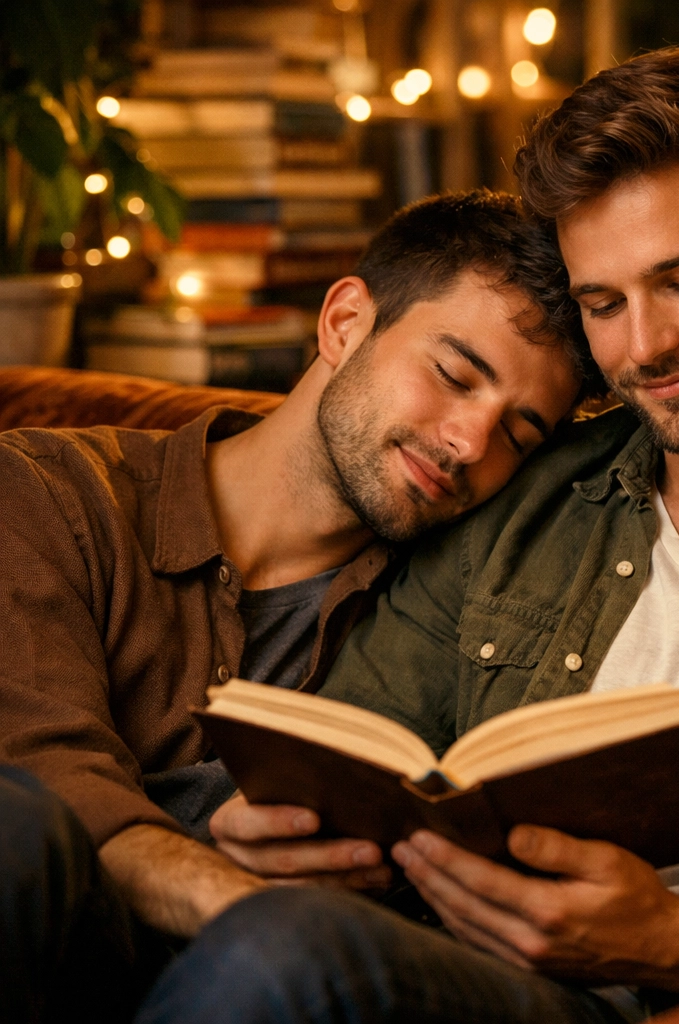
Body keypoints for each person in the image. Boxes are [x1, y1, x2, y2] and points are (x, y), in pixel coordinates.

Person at [147, 46, 679, 1024]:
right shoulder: (527, 490)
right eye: (603, 304)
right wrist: (279, 826)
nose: (642, 348)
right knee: (263, 932)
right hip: (456, 981)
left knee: (277, 951)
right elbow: (361, 736)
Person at [0, 190, 591, 1023]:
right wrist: (249, 908)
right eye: (454, 375)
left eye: (518, 435)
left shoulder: (446, 608)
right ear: (345, 323)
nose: (470, 442)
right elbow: (44, 780)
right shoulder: (48, 492)